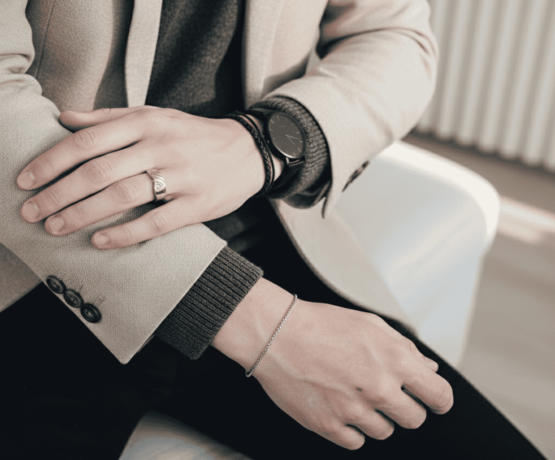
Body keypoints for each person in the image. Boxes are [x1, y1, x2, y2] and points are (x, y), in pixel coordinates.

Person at [0, 1, 545, 459]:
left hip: (259, 239)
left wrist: (263, 144)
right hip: (26, 274)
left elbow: (395, 34)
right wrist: (263, 325)